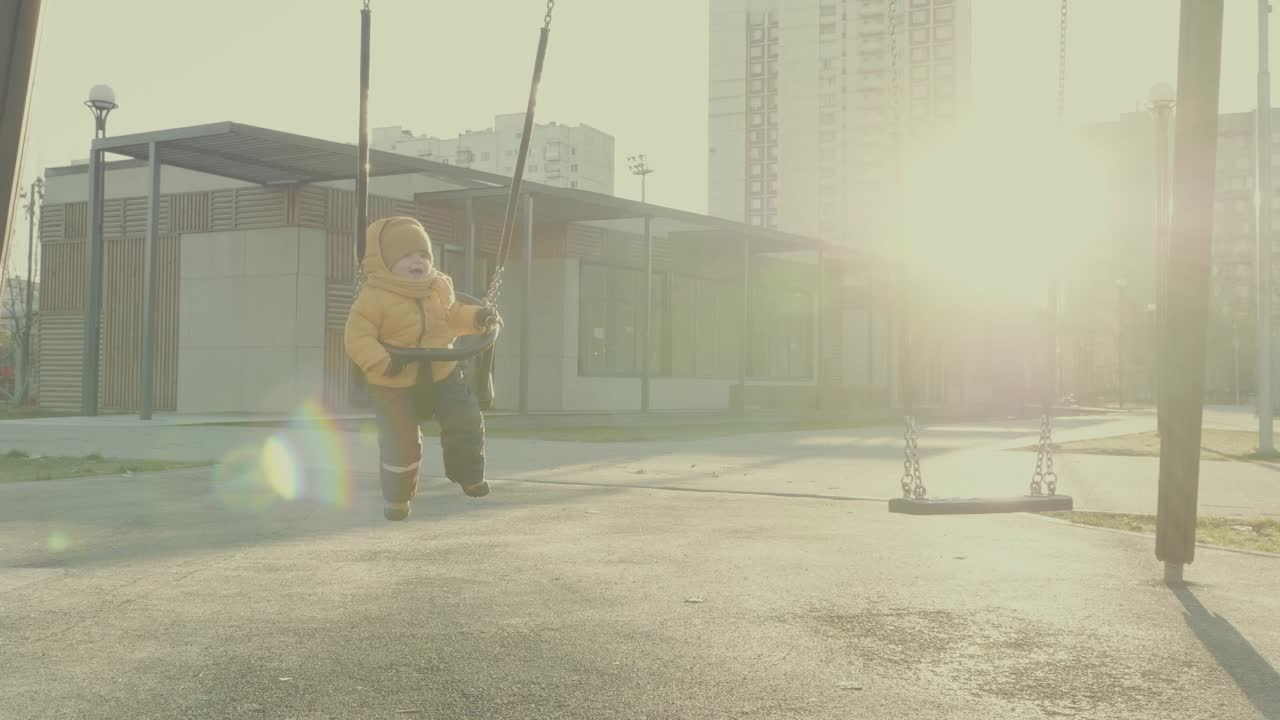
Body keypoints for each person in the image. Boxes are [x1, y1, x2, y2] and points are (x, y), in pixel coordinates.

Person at [344, 216, 500, 521]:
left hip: (441, 372)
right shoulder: (373, 297)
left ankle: (469, 475)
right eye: (405, 256)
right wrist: (380, 360)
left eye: (423, 255)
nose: (417, 261)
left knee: (466, 419)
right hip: (393, 378)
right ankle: (398, 496)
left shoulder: (438, 289)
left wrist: (478, 318)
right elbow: (357, 337)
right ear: (385, 261)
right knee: (400, 440)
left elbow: (454, 316)